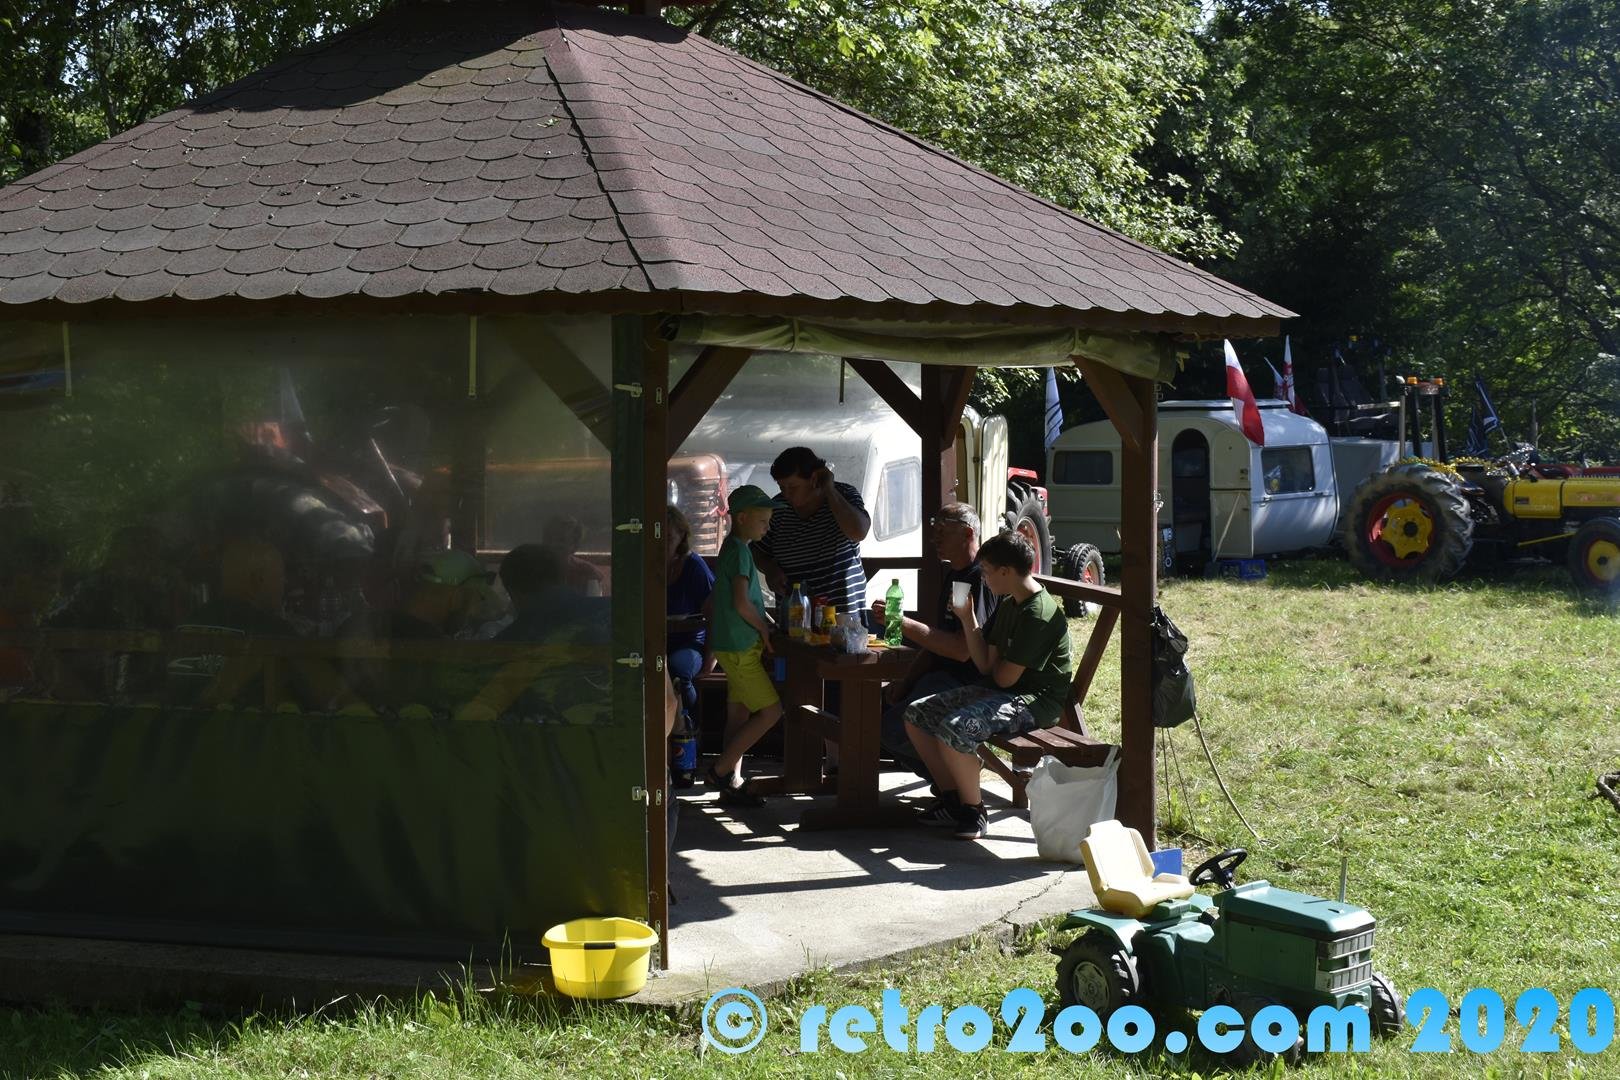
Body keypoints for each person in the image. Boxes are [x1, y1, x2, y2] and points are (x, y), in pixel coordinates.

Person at [902, 531, 1075, 841]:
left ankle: (974, 811)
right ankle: (954, 801)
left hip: (1035, 702)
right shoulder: (1010, 604)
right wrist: (967, 618)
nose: (983, 577)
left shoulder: (1039, 614)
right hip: (1004, 691)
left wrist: (995, 665)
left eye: (986, 570)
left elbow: (1004, 677)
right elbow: (986, 665)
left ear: (1005, 572)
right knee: (917, 714)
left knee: (956, 729)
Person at [873, 502, 998, 780]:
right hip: (940, 677)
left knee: (893, 728)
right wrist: (905, 682)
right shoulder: (954, 574)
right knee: (875, 712)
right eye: (934, 530)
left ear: (968, 533)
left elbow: (961, 650)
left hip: (967, 682)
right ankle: (949, 784)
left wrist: (900, 622)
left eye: (943, 530)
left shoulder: (979, 578)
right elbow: (935, 642)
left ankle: (957, 781)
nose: (935, 538)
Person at [706, 485, 785, 807]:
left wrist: (765, 620)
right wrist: (764, 628)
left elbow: (740, 600)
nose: (767, 527)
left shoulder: (733, 548)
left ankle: (731, 783)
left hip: (732, 645)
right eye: (763, 521)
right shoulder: (739, 551)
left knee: (738, 714)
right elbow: (741, 603)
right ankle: (720, 771)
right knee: (772, 712)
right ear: (742, 518)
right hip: (740, 648)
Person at [337, 549, 495, 709]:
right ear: (458, 597)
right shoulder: (439, 651)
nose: (473, 614)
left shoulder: (360, 624)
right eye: (478, 600)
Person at [752, 446, 870, 619]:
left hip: (842, 619)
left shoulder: (843, 494)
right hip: (795, 620)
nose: (786, 494)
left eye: (793, 487)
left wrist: (829, 490)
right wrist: (770, 569)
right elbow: (757, 550)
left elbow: (859, 532)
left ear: (814, 478)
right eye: (782, 487)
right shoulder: (777, 509)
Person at [664, 504, 715, 723]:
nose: (661, 543)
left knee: (679, 669)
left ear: (681, 537)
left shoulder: (694, 567)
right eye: (657, 537)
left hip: (689, 642)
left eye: (668, 538)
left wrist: (711, 658)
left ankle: (688, 729)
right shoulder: (645, 565)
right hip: (653, 642)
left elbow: (715, 614)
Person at [543, 514, 606, 596]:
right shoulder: (533, 569)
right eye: (549, 539)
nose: (554, 544)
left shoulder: (589, 573)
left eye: (561, 540)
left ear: (575, 546)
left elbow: (594, 601)